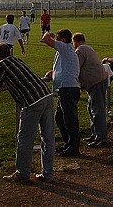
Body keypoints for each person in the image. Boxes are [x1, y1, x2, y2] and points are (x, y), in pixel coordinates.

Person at [0, 43, 54, 182]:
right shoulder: (17, 60)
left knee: (24, 139)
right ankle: (48, 173)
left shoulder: (2, 65)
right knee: (47, 138)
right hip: (46, 95)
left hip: (32, 101)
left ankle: (22, 173)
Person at [41, 29, 81, 157]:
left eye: (58, 38)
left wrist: (48, 34)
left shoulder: (66, 48)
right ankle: (68, 144)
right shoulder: (64, 52)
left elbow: (46, 40)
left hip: (68, 88)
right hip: (64, 88)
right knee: (59, 118)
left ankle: (73, 148)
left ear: (63, 40)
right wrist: (53, 73)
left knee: (70, 120)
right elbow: (64, 68)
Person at [71, 33, 108, 148]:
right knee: (91, 108)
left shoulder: (80, 50)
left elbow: (76, 67)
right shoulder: (88, 48)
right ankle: (95, 133)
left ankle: (101, 137)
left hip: (96, 82)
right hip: (98, 81)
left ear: (75, 41)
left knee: (97, 110)